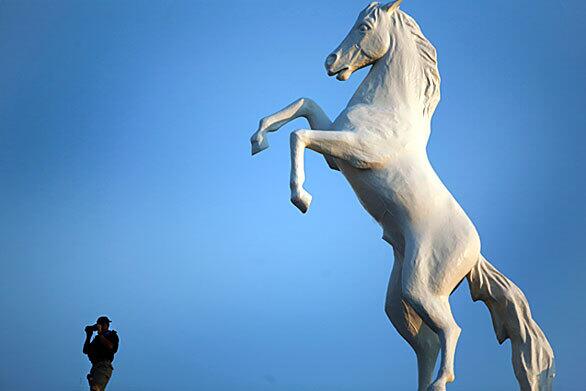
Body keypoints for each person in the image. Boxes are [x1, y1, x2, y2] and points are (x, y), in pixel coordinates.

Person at [83, 316, 119, 391]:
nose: (102, 326)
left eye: (104, 324)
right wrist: (88, 336)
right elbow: (86, 350)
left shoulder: (112, 334)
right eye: (100, 324)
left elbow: (110, 346)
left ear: (107, 325)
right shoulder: (96, 339)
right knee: (95, 389)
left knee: (96, 389)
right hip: (94, 367)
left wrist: (100, 334)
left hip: (104, 365)